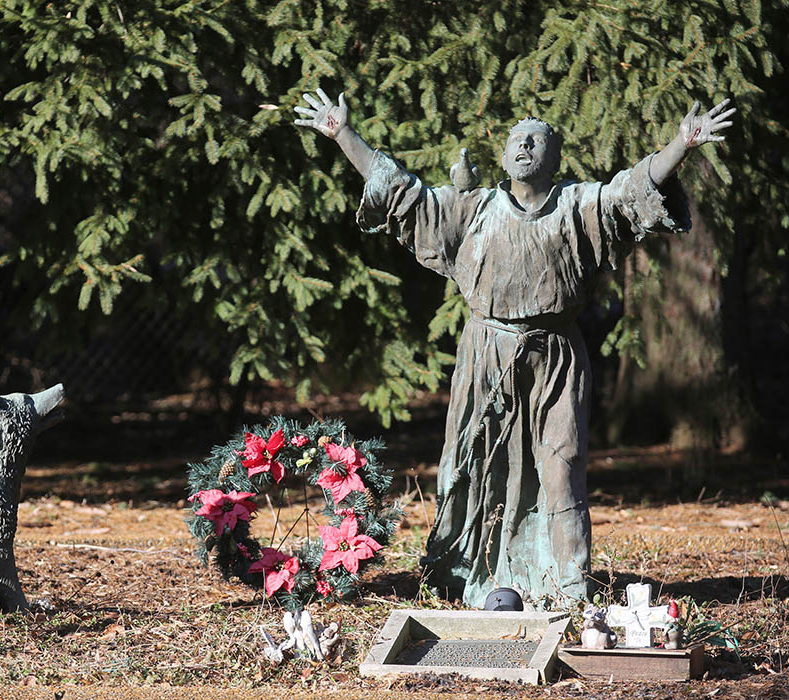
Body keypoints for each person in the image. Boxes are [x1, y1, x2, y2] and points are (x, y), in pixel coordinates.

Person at [294, 88, 734, 607]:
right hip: (486, 355)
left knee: (562, 465)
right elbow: (400, 193)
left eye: (536, 140)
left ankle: (566, 588)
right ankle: (460, 577)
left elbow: (631, 191)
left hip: (556, 359)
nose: (524, 145)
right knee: (473, 462)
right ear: (503, 157)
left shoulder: (578, 207)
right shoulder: (470, 209)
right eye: (515, 140)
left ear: (554, 159)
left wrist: (682, 144)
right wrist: (342, 133)